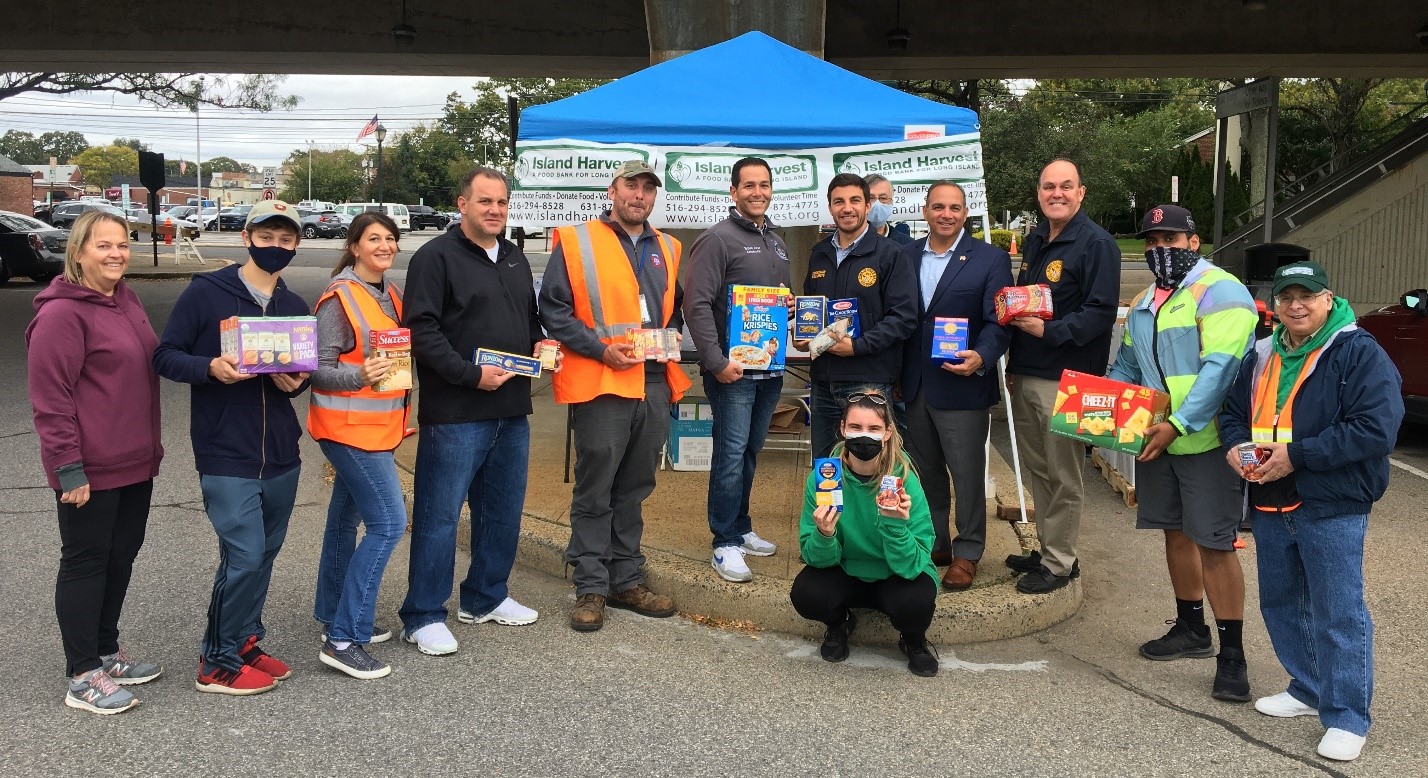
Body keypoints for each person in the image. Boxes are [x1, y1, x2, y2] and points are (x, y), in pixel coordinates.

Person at [1220, 261, 1403, 763]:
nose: (1296, 306)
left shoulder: (1357, 351)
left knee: (1338, 610)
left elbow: (1376, 429)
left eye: (1307, 295)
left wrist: (1297, 456)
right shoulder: (1263, 353)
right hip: (1269, 496)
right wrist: (1235, 446)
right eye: (1286, 297)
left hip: (1331, 499)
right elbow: (1234, 414)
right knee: (1281, 601)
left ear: (1328, 298)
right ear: (1276, 304)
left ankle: (1347, 716)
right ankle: (1308, 687)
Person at [153, 200, 310, 696]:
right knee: (243, 555)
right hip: (225, 449)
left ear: (296, 245)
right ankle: (217, 660)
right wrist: (209, 368)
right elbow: (165, 356)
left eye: (285, 239)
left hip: (280, 451)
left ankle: (244, 641)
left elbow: (300, 373)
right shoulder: (206, 293)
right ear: (246, 237)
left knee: (265, 554)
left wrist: (298, 383)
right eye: (266, 237)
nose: (275, 246)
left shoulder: (294, 305)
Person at [1105, 204, 1259, 702]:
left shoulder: (1222, 291)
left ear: (1194, 242)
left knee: (1215, 544)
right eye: (1152, 241)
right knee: (1174, 533)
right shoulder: (1145, 300)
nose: (1160, 249)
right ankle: (1191, 628)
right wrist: (1099, 410)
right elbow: (1128, 367)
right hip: (1158, 438)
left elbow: (1221, 370)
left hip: (1206, 440)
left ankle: (1232, 656)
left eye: (1170, 239)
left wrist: (1177, 424)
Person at [399, 168, 543, 657]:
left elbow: (529, 319)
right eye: (485, 201)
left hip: (511, 409)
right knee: (439, 516)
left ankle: (485, 596)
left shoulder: (515, 257)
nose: (495, 210)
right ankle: (422, 615)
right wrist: (468, 375)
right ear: (462, 204)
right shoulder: (434, 257)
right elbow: (421, 331)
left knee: (501, 512)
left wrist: (541, 344)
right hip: (457, 411)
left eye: (501, 202)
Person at [540, 160, 689, 632]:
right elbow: (554, 310)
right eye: (631, 185)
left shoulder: (668, 246)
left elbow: (675, 309)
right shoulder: (576, 240)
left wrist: (671, 335)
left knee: (634, 487)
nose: (639, 195)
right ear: (612, 190)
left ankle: (626, 580)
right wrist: (599, 349)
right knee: (596, 488)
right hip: (602, 382)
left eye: (648, 188)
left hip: (653, 382)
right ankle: (590, 586)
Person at [27, 210, 164, 714]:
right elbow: (51, 400)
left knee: (120, 556)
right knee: (86, 562)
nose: (116, 254)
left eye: (122, 244)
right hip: (88, 467)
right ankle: (83, 673)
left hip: (135, 461)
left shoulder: (125, 300)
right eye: (103, 245)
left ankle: (106, 650)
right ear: (78, 252)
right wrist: (68, 467)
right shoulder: (62, 315)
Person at [1003, 158, 1121, 594]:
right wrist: (1015, 364)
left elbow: (1100, 313)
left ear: (1081, 193)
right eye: (1049, 186)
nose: (1057, 193)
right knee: (1039, 468)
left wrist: (1049, 332)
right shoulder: (1038, 239)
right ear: (1039, 194)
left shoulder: (1097, 244)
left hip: (1068, 380)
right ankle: (1050, 548)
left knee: (1064, 474)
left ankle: (1059, 563)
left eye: (1066, 186)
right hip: (1029, 372)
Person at [309, 212, 410, 679]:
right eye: (374, 238)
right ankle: (344, 638)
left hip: (377, 429)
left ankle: (333, 612)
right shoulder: (339, 298)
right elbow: (317, 368)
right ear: (354, 247)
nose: (384, 245)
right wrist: (360, 376)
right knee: (389, 524)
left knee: (344, 520)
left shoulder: (391, 294)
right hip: (347, 431)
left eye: (390, 238)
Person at [899, 181, 1013, 590]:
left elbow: (1000, 320)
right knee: (926, 472)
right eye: (938, 207)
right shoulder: (906, 255)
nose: (945, 214)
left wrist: (982, 356)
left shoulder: (991, 259)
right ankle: (937, 542)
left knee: (966, 475)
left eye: (954, 208)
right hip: (914, 385)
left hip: (962, 385)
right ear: (925, 211)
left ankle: (968, 551)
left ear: (965, 213)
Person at [683, 157, 790, 583]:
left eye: (764, 184)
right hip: (732, 373)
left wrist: (788, 306)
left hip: (769, 371)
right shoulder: (717, 239)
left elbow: (776, 301)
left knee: (749, 452)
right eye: (749, 185)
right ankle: (724, 541)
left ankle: (741, 528)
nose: (757, 192)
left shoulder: (777, 242)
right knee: (729, 455)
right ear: (733, 191)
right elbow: (696, 304)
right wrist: (716, 361)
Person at [789, 390, 939, 676]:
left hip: (895, 573)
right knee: (807, 593)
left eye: (873, 428)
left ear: (887, 433)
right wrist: (824, 534)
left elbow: (914, 565)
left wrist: (895, 525)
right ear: (843, 428)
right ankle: (839, 623)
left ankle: (913, 639)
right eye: (856, 427)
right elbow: (813, 557)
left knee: (917, 601)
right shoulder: (824, 479)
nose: (864, 436)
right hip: (845, 568)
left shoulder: (905, 479)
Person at [800, 172, 919, 460]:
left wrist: (857, 346)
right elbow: (812, 309)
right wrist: (804, 335)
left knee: (872, 466)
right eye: (838, 201)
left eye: (854, 200)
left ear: (867, 205)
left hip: (869, 381)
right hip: (823, 380)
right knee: (826, 466)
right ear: (830, 207)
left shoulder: (891, 254)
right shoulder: (819, 253)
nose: (847, 208)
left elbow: (903, 317)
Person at [864, 174, 913, 246]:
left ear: (891, 203)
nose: (877, 204)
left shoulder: (907, 245)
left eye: (883, 198)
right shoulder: (848, 242)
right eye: (871, 198)